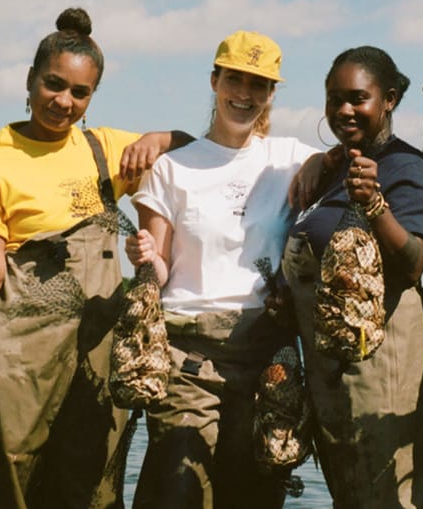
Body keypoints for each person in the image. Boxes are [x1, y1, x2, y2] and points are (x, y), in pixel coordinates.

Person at [0, 7, 191, 508]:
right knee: (0, 490)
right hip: (10, 367)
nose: (63, 102)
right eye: (53, 85)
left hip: (92, 363)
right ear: (30, 80)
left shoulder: (103, 150)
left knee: (90, 491)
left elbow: (195, 151)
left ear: (92, 97)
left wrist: (158, 139)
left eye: (79, 93)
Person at [124, 30, 322, 509]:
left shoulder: (291, 157)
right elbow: (162, 269)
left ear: (272, 93)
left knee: (253, 490)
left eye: (259, 84)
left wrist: (327, 161)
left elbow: (344, 167)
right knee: (177, 488)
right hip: (187, 354)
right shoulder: (172, 168)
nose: (245, 94)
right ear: (214, 80)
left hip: (265, 354)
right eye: (234, 78)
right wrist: (146, 257)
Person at [280, 46, 423, 508]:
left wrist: (375, 204)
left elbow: (413, 264)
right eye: (334, 99)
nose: (344, 110)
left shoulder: (406, 168)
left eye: (358, 98)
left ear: (388, 100)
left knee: (388, 496)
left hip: (383, 365)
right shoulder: (337, 168)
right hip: (332, 367)